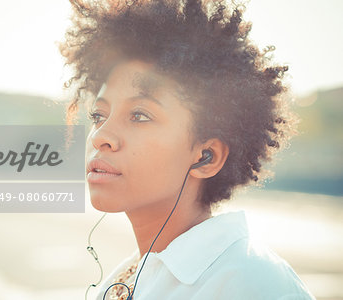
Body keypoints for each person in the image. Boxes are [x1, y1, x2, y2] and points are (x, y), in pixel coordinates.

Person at [59, 0, 315, 299]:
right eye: (98, 116)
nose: (101, 136)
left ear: (207, 157)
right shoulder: (131, 276)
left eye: (140, 115)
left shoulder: (248, 283)